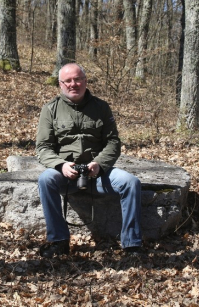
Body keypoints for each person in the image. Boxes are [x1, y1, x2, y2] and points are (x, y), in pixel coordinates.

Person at [35, 63, 142, 258]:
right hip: (66, 174)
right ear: (60, 84)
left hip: (99, 173)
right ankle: (59, 241)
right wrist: (61, 165)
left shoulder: (101, 107)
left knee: (131, 183)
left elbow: (113, 142)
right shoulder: (50, 109)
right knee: (45, 179)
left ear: (85, 81)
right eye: (68, 81)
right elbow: (43, 148)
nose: (73, 84)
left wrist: (100, 164)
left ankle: (132, 245)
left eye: (77, 79)